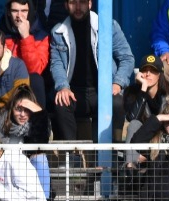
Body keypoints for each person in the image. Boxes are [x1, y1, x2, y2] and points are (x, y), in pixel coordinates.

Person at [48, 0, 135, 141]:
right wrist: (63, 87)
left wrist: (117, 83)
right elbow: (56, 64)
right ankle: (71, 152)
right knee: (61, 102)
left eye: (82, 2)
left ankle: (112, 151)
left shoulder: (108, 26)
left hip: (102, 90)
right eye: (73, 2)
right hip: (74, 92)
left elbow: (127, 58)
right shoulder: (58, 32)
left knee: (116, 103)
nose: (78, 7)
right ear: (65, 5)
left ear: (89, 3)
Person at [0, 85, 53, 196]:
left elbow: (41, 141)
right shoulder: (1, 120)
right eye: (18, 109)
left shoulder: (36, 125)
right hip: (4, 170)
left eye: (27, 110)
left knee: (40, 159)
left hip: (27, 173)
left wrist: (39, 114)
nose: (22, 114)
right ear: (11, 109)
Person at [0, 0, 52, 107]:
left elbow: (34, 70)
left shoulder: (42, 36)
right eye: (15, 11)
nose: (19, 16)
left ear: (30, 11)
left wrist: (26, 37)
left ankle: (38, 117)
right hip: (5, 83)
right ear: (8, 12)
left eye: (24, 11)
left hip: (30, 86)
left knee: (36, 79)